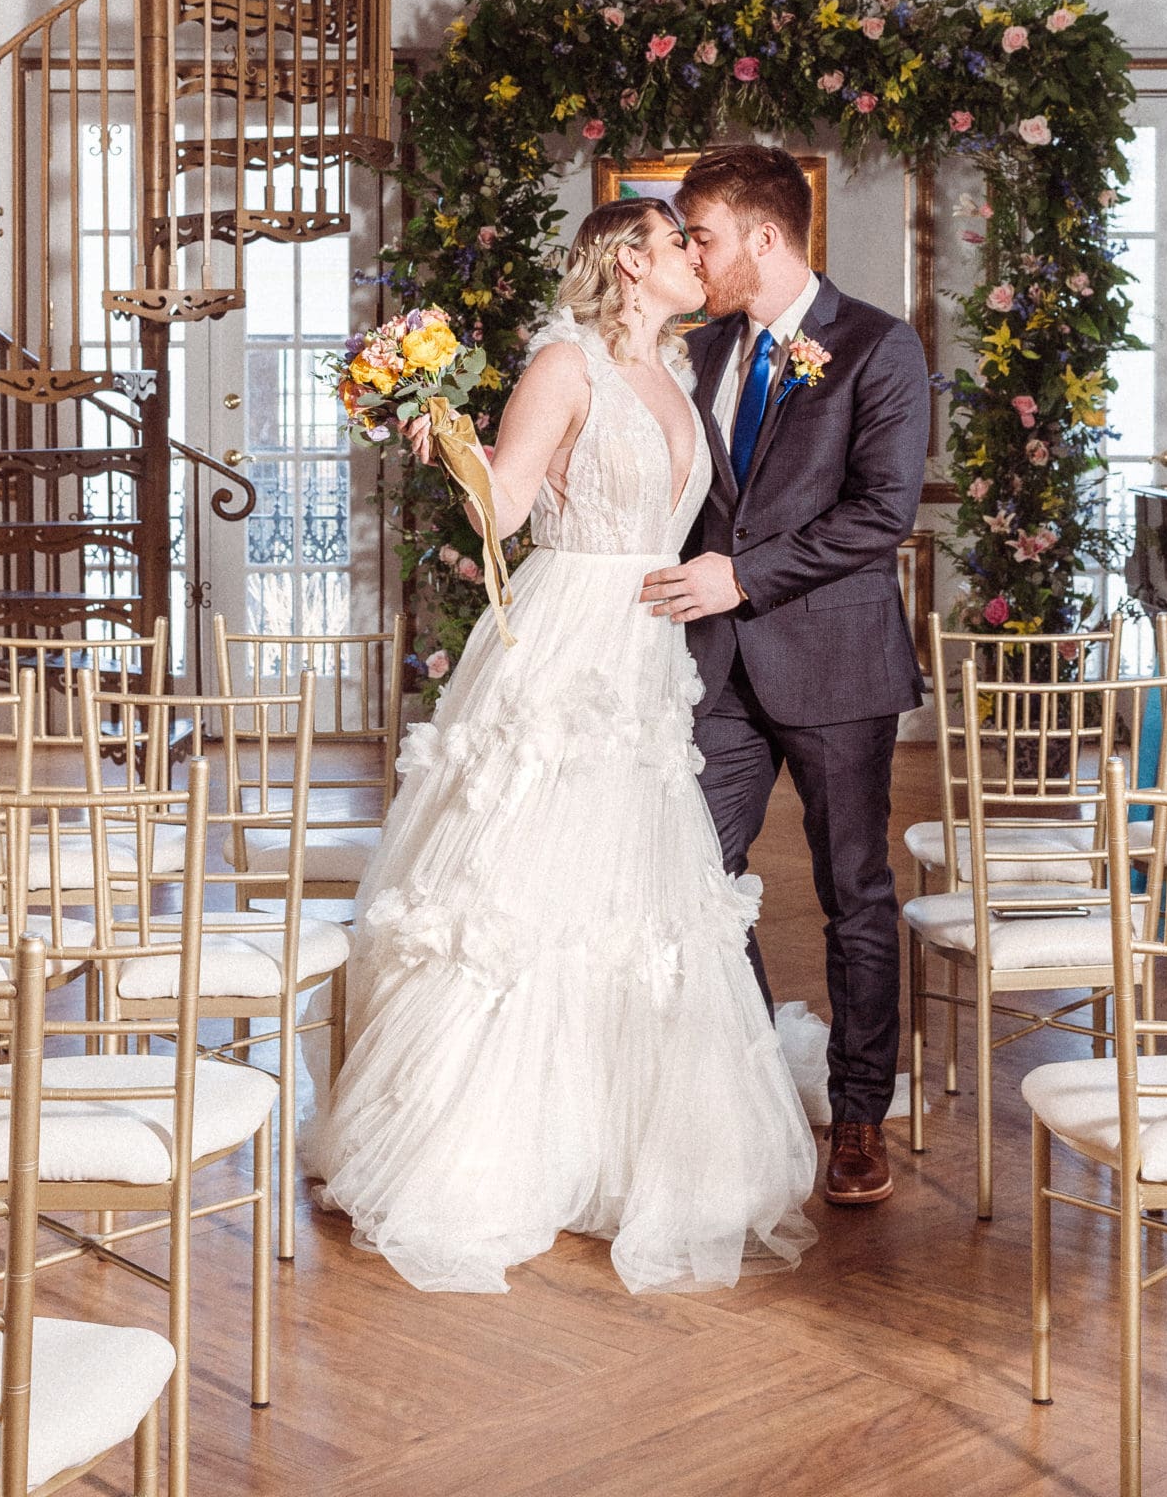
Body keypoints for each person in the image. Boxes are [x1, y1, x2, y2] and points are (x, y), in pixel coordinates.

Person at [316, 198, 818, 1294]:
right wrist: (448, 435)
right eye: (678, 241)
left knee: (629, 896)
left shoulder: (675, 369)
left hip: (645, 656)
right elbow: (501, 513)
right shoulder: (563, 362)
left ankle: (618, 1141)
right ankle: (486, 1152)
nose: (696, 257)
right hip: (564, 644)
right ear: (629, 261)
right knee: (525, 888)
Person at [639, 144, 931, 1210]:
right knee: (698, 878)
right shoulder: (700, 347)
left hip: (836, 663)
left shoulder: (877, 345)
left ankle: (858, 1114)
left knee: (852, 891)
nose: (690, 255)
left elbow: (881, 512)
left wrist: (743, 576)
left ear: (762, 238)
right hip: (717, 671)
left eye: (701, 236)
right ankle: (756, 1078)